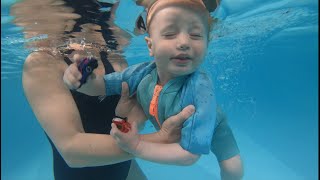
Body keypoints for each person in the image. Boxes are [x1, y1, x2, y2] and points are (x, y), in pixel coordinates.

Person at [13, 0, 196, 179]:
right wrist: (162, 141)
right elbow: (72, 151)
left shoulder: (114, 58)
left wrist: (139, 115)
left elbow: (127, 127)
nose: (112, 10)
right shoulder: (42, 64)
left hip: (124, 168)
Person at [63, 0, 243, 179]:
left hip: (215, 125)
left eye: (196, 35)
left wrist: (137, 146)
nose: (184, 43)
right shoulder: (142, 73)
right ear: (150, 46)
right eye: (170, 34)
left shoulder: (200, 89)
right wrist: (80, 80)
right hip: (173, 129)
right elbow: (103, 86)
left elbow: (189, 156)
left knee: (232, 167)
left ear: (207, 43)